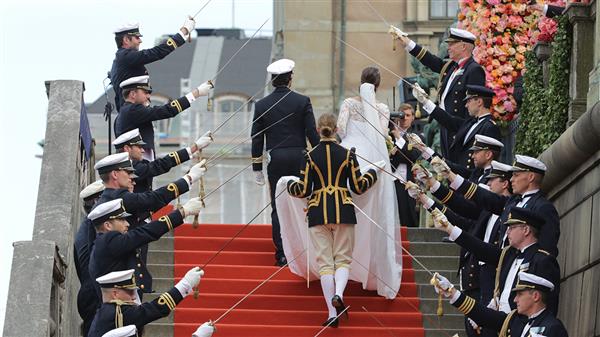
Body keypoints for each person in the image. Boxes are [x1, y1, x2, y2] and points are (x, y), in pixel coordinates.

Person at [285, 113, 382, 327]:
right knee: (343, 260)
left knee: (325, 264)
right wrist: (374, 173)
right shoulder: (348, 154)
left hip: (318, 212)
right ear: (336, 130)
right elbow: (358, 186)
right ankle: (339, 294)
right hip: (343, 211)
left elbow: (301, 190)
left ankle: (332, 314)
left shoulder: (309, 156)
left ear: (318, 130)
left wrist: (287, 185)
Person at [410, 161, 513, 337]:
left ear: (504, 184)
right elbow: (456, 215)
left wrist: (490, 303)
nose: (488, 184)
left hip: (489, 290)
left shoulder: (507, 215)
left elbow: (495, 256)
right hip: (476, 286)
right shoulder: (486, 214)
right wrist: (425, 198)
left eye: (492, 180)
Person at [93, 152, 207, 294]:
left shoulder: (111, 199)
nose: (131, 177)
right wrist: (188, 181)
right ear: (115, 174)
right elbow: (151, 201)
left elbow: (147, 207)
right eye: (127, 172)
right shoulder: (117, 199)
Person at [335, 66, 403, 299]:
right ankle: (372, 267)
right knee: (374, 217)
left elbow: (340, 129)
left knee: (344, 212)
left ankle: (341, 263)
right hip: (373, 162)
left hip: (348, 156)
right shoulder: (382, 109)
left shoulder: (348, 104)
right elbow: (382, 136)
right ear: (378, 84)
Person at [250, 58, 320, 266]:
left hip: (276, 159)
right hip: (300, 158)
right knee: (303, 203)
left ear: (273, 80)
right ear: (290, 79)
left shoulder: (261, 105)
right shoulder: (303, 101)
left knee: (278, 206)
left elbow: (257, 138)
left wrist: (257, 168)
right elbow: (311, 133)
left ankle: (282, 253)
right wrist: (320, 158)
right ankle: (304, 249)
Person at [430, 207, 560, 316]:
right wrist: (449, 228)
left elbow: (547, 305)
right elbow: (480, 248)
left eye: (512, 227)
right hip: (503, 324)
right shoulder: (509, 255)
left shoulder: (543, 260)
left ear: (526, 230)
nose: (507, 232)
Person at [430, 154, 560, 257]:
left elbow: (547, 250)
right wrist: (450, 175)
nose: (512, 179)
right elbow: (484, 197)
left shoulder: (543, 207)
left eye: (516, 175)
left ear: (531, 177)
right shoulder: (512, 202)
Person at [390, 27, 486, 159]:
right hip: (446, 129)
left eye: (452, 44)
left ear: (463, 46)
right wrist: (407, 42)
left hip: (459, 132)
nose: (448, 48)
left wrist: (426, 102)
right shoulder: (451, 67)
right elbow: (431, 60)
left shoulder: (474, 70)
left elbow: (474, 110)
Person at [88, 197, 204, 297]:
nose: (127, 224)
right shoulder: (108, 241)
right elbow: (143, 233)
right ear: (107, 225)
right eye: (122, 220)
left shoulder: (104, 243)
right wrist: (182, 212)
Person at [433, 270, 568, 337]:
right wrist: (452, 292)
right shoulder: (515, 321)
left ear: (536, 296)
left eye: (520, 294)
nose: (515, 300)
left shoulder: (553, 327)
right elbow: (485, 315)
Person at [88, 267, 212, 337]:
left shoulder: (106, 312)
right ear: (115, 294)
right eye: (130, 292)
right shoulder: (116, 313)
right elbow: (154, 309)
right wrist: (185, 285)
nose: (133, 297)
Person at [114, 75, 213, 161]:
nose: (148, 96)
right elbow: (166, 111)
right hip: (140, 168)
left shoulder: (123, 114)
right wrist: (196, 94)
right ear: (133, 94)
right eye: (145, 92)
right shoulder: (133, 110)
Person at [110, 18, 195, 111]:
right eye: (137, 37)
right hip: (134, 114)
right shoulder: (126, 57)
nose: (140, 41)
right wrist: (183, 33)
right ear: (126, 39)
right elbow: (157, 52)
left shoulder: (122, 58)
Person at [412, 84, 501, 171]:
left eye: (468, 101)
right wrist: (425, 101)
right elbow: (447, 120)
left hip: (471, 177)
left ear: (479, 102)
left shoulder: (490, 127)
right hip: (459, 173)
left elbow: (488, 160)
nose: (466, 105)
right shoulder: (470, 123)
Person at [113, 128, 213, 193]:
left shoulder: (136, 164)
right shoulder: (129, 168)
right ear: (127, 149)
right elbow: (159, 165)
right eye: (139, 147)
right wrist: (193, 148)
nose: (143, 150)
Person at [74, 180, 105, 337]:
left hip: (89, 293)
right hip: (95, 295)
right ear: (97, 202)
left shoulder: (84, 228)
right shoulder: (94, 229)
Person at [388, 104, 421, 227]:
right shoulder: (388, 135)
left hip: (406, 182)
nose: (405, 118)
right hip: (389, 179)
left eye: (408, 115)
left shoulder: (415, 137)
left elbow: (412, 157)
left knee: (407, 217)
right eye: (402, 115)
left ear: (413, 117)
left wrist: (398, 138)